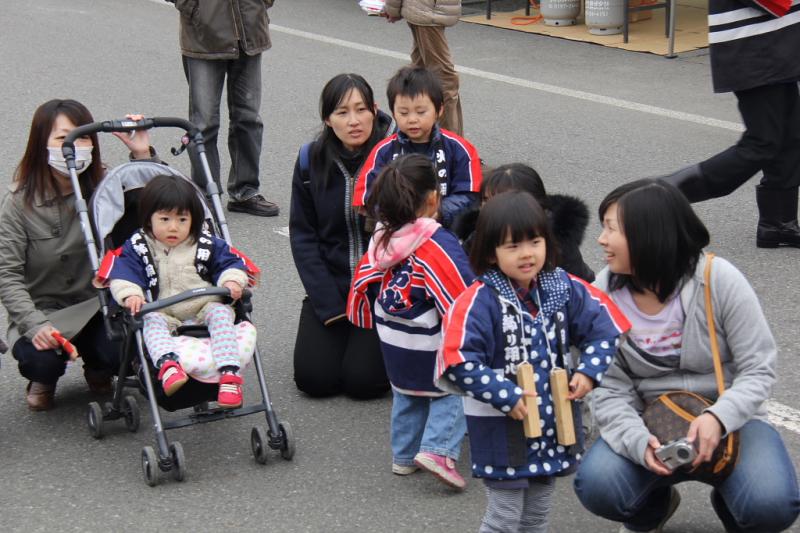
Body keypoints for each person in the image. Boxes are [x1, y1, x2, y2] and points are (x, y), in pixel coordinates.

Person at [573, 179, 800, 533]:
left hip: (732, 420)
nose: (601, 239)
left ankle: (734, 506)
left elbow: (759, 368)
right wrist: (637, 442)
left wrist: (719, 418)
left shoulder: (718, 279)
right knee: (599, 485)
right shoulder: (602, 294)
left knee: (771, 504)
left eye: (611, 229)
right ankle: (652, 509)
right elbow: (607, 388)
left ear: (649, 234)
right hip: (647, 419)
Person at [435, 192, 629, 532]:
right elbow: (458, 360)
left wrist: (589, 372)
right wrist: (505, 395)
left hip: (554, 423)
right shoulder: (477, 301)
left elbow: (606, 328)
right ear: (490, 253)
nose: (527, 253)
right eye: (513, 246)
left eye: (535, 242)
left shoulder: (564, 287)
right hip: (501, 427)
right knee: (504, 517)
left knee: (537, 514)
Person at [0, 99, 156, 410]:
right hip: (45, 308)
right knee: (39, 359)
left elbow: (163, 212)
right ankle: (44, 377)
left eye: (83, 137)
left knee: (124, 349)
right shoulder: (19, 201)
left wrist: (142, 154)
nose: (74, 146)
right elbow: (7, 274)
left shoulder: (106, 185)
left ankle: (99, 367)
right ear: (41, 144)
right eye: (63, 138)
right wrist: (33, 324)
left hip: (99, 304)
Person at [347, 154, 474, 489]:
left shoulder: (382, 237)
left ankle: (403, 456)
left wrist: (365, 315)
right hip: (427, 341)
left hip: (394, 339)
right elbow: (460, 296)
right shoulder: (436, 243)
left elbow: (364, 279)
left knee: (407, 394)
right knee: (454, 390)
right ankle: (438, 451)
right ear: (433, 199)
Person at [100, 174, 253, 408]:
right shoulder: (139, 246)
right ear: (149, 219)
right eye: (165, 219)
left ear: (193, 220)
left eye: (182, 220)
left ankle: (229, 373)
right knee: (149, 320)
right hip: (163, 312)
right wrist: (131, 294)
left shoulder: (205, 243)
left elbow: (230, 262)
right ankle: (169, 366)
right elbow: (124, 273)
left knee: (221, 313)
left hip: (204, 307)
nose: (173, 227)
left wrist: (232, 281)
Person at [659, 2, 800, 248]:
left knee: (790, 135)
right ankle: (662, 194)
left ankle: (778, 223)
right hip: (753, 41)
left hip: (776, 36)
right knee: (762, 142)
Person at [289, 74, 392, 399]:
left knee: (362, 383)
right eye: (342, 112)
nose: (353, 121)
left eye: (361, 109)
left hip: (381, 293)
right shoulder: (310, 160)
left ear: (374, 110)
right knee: (314, 380)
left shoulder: (393, 157)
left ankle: (365, 344)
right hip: (331, 288)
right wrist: (328, 303)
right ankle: (345, 332)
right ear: (327, 119)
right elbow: (303, 236)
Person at [172, 0, 280, 217]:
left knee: (248, 118)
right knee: (204, 124)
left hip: (249, 27)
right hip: (203, 34)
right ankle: (205, 196)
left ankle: (245, 191)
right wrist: (193, 7)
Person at [352, 66, 482, 229]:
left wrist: (438, 212)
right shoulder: (383, 151)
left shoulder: (459, 148)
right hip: (395, 231)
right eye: (404, 113)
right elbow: (368, 196)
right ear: (393, 112)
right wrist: (399, 214)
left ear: (439, 110)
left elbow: (470, 194)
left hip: (445, 231)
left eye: (421, 112)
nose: (412, 119)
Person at [451, 163, 595, 281]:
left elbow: (584, 287)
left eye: (504, 201)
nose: (492, 208)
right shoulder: (477, 235)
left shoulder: (558, 245)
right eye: (486, 200)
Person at [383, 0, 464, 135]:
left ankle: (419, 136)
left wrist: (393, 9)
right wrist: (393, 9)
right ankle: (449, 141)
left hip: (425, 10)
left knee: (421, 73)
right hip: (427, 11)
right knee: (445, 80)